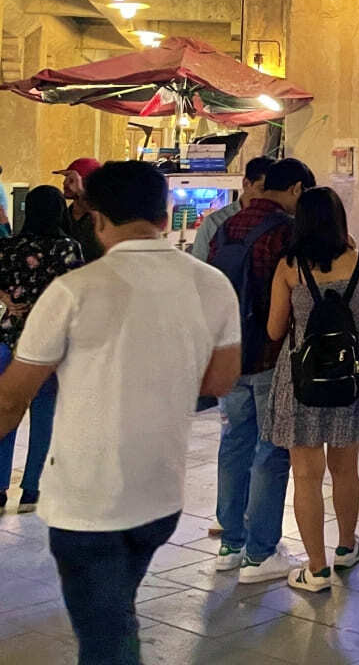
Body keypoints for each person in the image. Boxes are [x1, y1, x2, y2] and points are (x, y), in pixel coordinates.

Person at [0, 161, 240, 663]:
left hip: (88, 503)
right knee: (115, 612)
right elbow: (220, 381)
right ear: (166, 211)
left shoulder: (75, 291)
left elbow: (10, 398)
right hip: (160, 496)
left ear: (97, 218)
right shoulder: (213, 284)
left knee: (106, 639)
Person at [264, 187, 359, 592]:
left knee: (305, 476)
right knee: (345, 470)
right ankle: (345, 548)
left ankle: (316, 569)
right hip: (347, 378)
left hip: (299, 381)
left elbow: (273, 329)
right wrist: (352, 329)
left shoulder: (289, 267)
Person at [211, 156, 314, 583]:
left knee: (235, 442)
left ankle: (230, 544)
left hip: (231, 351)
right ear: (294, 190)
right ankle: (259, 554)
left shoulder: (225, 227)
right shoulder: (287, 233)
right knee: (271, 450)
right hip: (271, 355)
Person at [0, 185, 85, 512]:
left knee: (5, 413)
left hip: (8, 340)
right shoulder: (68, 248)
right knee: (44, 417)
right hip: (49, 345)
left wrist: (6, 299)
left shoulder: (8, 247)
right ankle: (32, 491)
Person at [189, 155, 274, 263]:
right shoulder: (214, 223)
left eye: (273, 191)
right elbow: (199, 268)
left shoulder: (276, 222)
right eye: (262, 189)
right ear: (246, 184)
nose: (267, 196)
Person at [56, 157, 104, 264]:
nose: (65, 184)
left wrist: (81, 192)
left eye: (72, 180)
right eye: (66, 179)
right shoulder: (62, 214)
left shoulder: (103, 216)